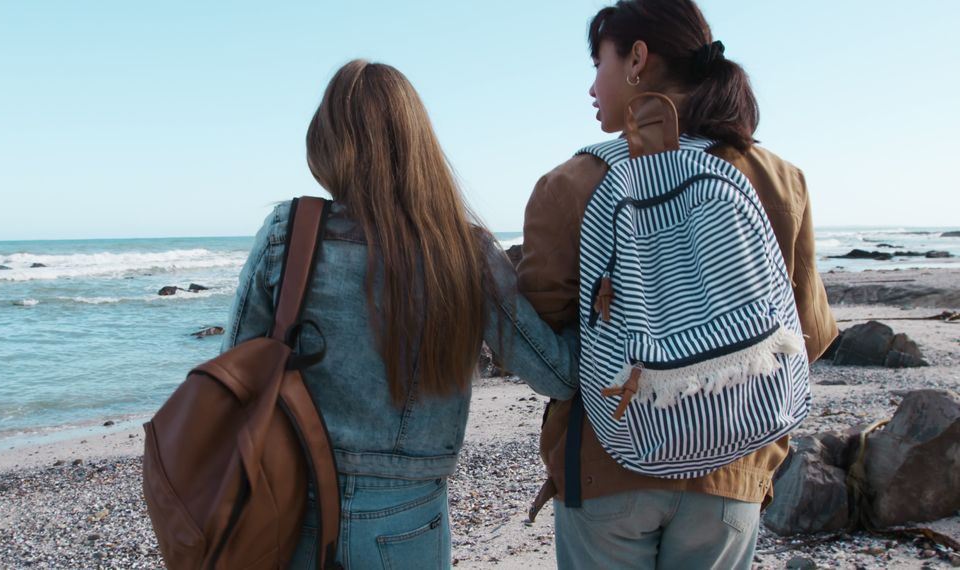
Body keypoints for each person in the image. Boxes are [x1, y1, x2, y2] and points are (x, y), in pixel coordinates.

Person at [221, 59, 580, 570]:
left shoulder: (289, 233)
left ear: (326, 140)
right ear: (416, 143)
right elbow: (558, 375)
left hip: (288, 502)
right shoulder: (462, 251)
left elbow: (231, 377)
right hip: (407, 518)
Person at [517, 1, 838, 568]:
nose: (592, 86)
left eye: (599, 63)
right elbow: (803, 336)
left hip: (606, 466)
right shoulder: (778, 178)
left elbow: (548, 346)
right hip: (733, 470)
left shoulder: (573, 183)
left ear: (637, 58)